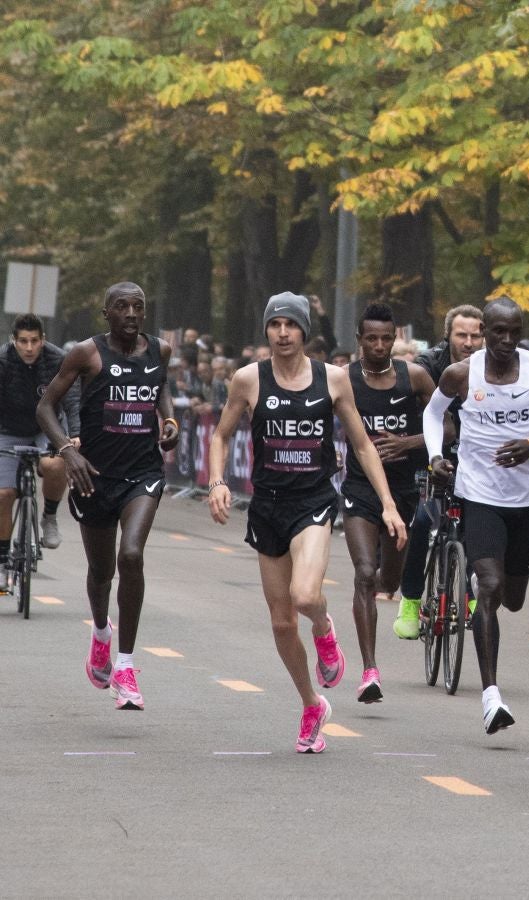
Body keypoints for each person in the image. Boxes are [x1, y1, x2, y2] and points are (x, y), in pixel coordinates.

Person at [207, 293, 406, 753]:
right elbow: (220, 435)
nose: (281, 333)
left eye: (290, 325)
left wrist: (389, 504)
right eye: (274, 325)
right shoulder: (247, 380)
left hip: (313, 502)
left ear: (304, 331)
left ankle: (323, 627)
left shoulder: (332, 379)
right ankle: (311, 703)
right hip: (268, 505)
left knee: (303, 596)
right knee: (279, 623)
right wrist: (217, 480)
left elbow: (361, 445)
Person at [422, 298, 529, 734]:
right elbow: (432, 414)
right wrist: (434, 456)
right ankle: (491, 697)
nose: (505, 340)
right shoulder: (460, 374)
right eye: (497, 331)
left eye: (514, 332)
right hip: (479, 492)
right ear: (484, 330)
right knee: (490, 586)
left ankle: (500, 593)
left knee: (514, 598)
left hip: (525, 497)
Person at [36, 283, 179, 711]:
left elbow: (161, 387)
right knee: (101, 572)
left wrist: (168, 419)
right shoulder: (86, 353)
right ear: (106, 313)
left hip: (142, 475)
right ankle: (101, 631)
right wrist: (68, 452)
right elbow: (45, 407)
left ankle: (126, 665)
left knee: (130, 555)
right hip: (93, 476)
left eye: (138, 306)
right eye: (122, 307)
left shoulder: (161, 350)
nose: (132, 313)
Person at [343, 303, 436, 703]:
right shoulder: (343, 380)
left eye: (387, 338)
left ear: (396, 338)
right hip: (360, 489)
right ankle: (369, 670)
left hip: (407, 490)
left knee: (389, 582)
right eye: (371, 339)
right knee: (365, 573)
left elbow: (446, 423)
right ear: (359, 340)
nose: (379, 345)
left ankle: (393, 590)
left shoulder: (413, 377)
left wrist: (409, 443)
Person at [395, 304, 484, 636]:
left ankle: (473, 598)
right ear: (448, 335)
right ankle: (412, 601)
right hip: (433, 453)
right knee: (423, 520)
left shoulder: (496, 366)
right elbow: (419, 413)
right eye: (462, 334)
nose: (469, 341)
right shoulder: (428, 365)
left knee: (476, 527)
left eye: (476, 335)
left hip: (476, 458)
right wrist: (424, 448)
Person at [0, 314, 79, 563]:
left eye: (34, 340)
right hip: (8, 429)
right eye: (23, 341)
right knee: (3, 495)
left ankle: (50, 516)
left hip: (48, 427)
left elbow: (72, 401)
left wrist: (76, 434)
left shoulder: (58, 360)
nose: (29, 348)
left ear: (43, 340)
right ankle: (2, 559)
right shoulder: (2, 361)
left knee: (54, 464)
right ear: (14, 341)